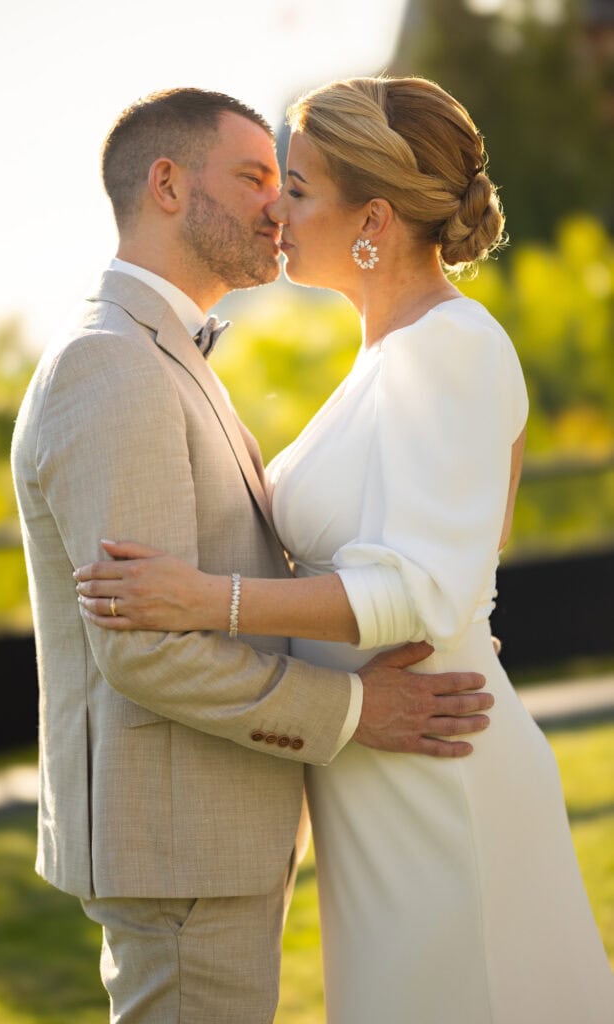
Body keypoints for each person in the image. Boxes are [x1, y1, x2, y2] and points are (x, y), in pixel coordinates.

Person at [75, 77, 614, 1022]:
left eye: (297, 186)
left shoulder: (450, 345)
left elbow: (420, 586)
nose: (276, 209)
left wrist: (209, 601)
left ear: (371, 217)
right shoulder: (383, 355)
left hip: (437, 771)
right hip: (371, 770)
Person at [11, 87, 496, 1024]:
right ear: (165, 184)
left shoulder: (161, 355)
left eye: (284, 183)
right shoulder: (109, 363)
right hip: (179, 844)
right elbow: (143, 644)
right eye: (252, 177)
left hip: (206, 837)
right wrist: (357, 711)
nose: (277, 205)